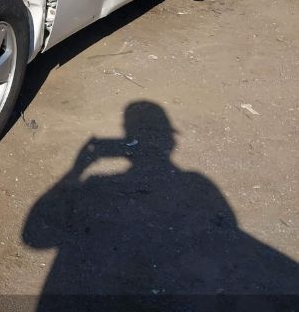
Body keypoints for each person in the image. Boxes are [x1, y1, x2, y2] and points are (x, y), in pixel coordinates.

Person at [22, 100, 299, 311]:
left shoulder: (96, 183)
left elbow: (34, 237)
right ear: (171, 139)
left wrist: (78, 168)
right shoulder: (198, 184)